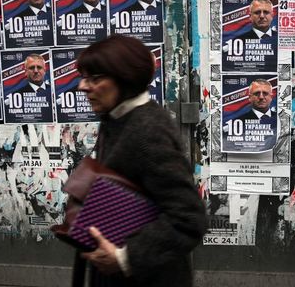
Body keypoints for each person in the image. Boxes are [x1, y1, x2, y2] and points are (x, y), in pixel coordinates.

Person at [73, 35, 206, 287]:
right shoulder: (117, 117)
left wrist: (124, 258)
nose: (83, 87)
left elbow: (188, 218)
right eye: (84, 77)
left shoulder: (147, 131)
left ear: (124, 80)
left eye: (95, 78)